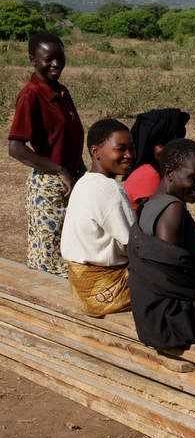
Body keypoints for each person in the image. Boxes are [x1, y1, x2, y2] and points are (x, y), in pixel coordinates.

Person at [127, 139, 195, 349]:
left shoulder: (151, 201)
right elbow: (173, 277)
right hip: (170, 315)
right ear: (169, 172)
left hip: (151, 309)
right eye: (194, 178)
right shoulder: (172, 209)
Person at [7, 31, 86, 277]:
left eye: (60, 58)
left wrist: (84, 176)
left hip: (70, 182)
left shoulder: (60, 91)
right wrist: (59, 169)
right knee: (49, 259)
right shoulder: (31, 94)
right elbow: (15, 146)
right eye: (48, 58)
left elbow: (68, 140)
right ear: (33, 59)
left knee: (72, 251)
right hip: (49, 185)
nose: (56, 64)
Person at [61, 119, 136, 316]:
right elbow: (134, 245)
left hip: (82, 290)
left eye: (131, 148)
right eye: (121, 149)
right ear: (96, 152)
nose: (129, 155)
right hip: (107, 290)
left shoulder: (84, 182)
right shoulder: (108, 188)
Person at [124, 108, 190, 212]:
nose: (170, 149)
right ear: (148, 147)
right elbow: (159, 219)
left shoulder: (157, 171)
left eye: (173, 142)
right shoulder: (147, 176)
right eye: (162, 144)